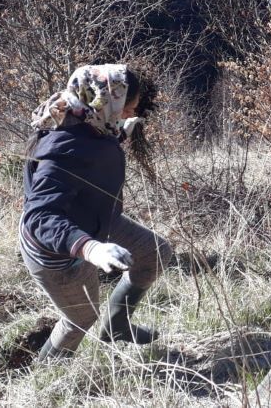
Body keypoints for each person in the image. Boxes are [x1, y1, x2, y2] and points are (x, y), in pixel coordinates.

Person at [20, 64, 173, 361]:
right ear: (107, 100)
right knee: (80, 319)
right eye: (128, 107)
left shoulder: (89, 120)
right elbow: (39, 217)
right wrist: (91, 249)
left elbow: (91, 154)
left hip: (95, 219)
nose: (131, 113)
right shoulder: (62, 146)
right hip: (59, 250)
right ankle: (46, 377)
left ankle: (117, 325)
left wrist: (120, 136)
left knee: (156, 252)